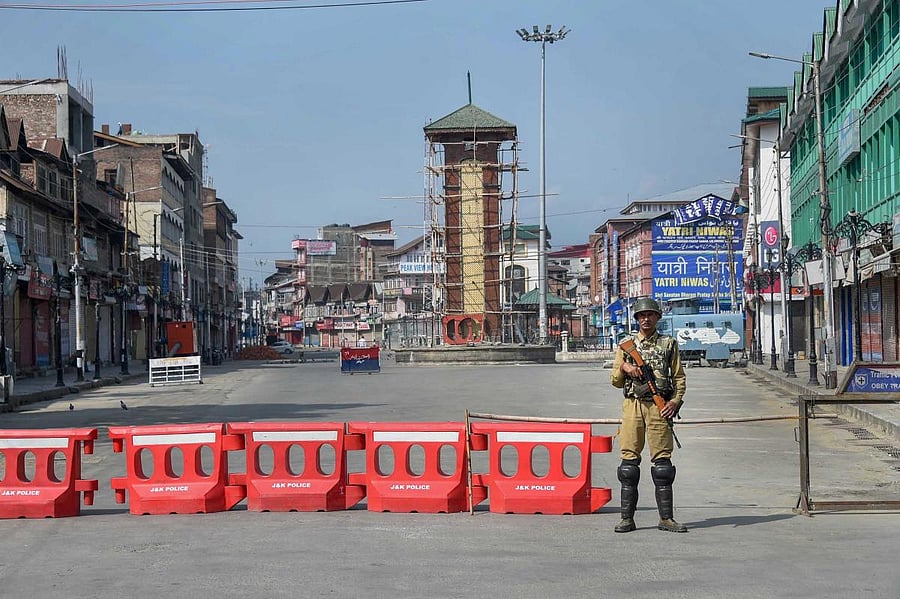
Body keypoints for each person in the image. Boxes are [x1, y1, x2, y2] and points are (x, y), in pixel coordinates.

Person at [610, 296, 687, 533]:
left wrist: (674, 402)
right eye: (642, 315)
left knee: (663, 466)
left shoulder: (669, 344)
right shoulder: (626, 345)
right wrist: (626, 368)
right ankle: (626, 519)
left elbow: (679, 378)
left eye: (650, 315)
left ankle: (666, 518)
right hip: (633, 406)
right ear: (636, 319)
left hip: (659, 407)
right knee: (628, 466)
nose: (646, 319)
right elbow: (615, 381)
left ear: (657, 317)